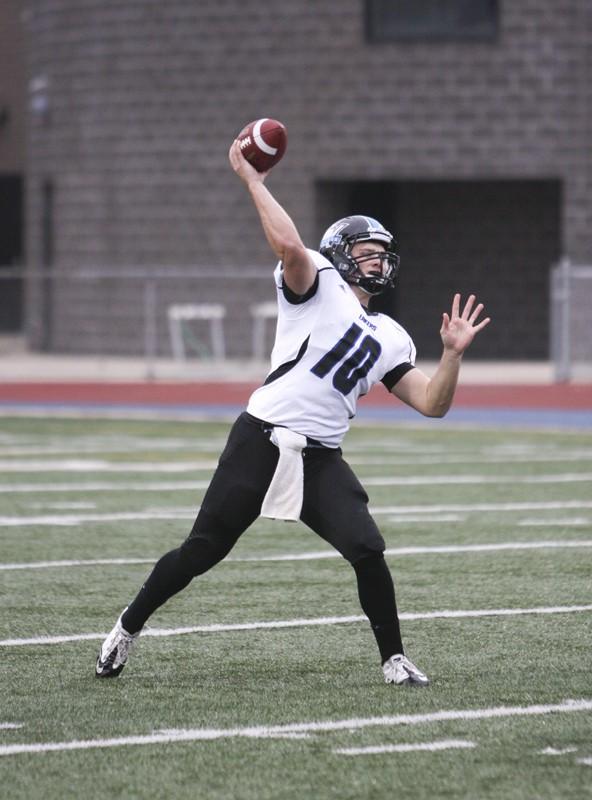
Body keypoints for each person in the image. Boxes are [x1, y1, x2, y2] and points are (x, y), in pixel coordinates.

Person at [96, 138, 490, 686]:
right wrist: (254, 180)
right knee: (201, 551)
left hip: (320, 457)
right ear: (343, 253)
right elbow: (289, 246)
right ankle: (125, 628)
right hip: (260, 439)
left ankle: (394, 659)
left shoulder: (392, 335)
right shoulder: (317, 283)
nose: (379, 260)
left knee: (367, 548)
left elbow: (432, 403)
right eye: (369, 251)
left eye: (383, 252)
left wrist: (451, 356)